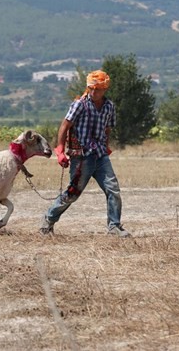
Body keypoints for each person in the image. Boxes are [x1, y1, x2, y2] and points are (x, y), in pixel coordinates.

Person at [39, 70, 130, 237]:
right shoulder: (79, 104)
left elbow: (107, 128)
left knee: (113, 190)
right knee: (72, 194)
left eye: (98, 89)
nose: (94, 92)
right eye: (91, 89)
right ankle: (48, 219)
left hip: (100, 156)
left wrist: (106, 146)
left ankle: (114, 227)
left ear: (105, 89)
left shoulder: (109, 107)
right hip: (81, 157)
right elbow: (64, 126)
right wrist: (60, 151)